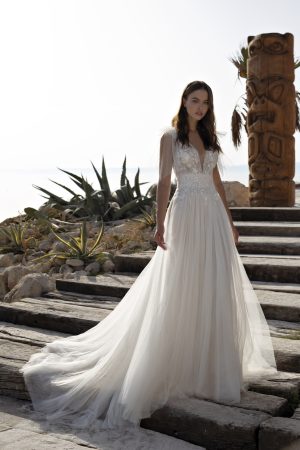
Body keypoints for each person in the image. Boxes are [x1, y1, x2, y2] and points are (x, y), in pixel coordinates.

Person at [20, 80, 278, 432]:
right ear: (184, 101)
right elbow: (163, 181)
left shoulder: (210, 138)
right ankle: (174, 362)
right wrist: (159, 225)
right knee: (180, 284)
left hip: (213, 218)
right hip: (185, 214)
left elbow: (217, 181)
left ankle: (209, 367)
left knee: (212, 285)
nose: (200, 107)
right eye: (194, 100)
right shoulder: (170, 137)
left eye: (205, 102)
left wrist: (231, 223)